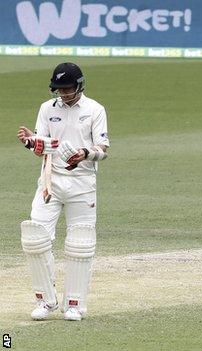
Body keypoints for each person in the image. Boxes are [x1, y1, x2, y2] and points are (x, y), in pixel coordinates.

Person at [17, 62, 109, 321]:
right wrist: (30, 142)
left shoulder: (95, 109)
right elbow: (42, 144)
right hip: (50, 181)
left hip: (82, 183)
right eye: (59, 90)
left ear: (79, 85)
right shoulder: (47, 109)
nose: (64, 94)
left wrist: (85, 154)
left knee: (81, 242)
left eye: (68, 89)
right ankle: (46, 301)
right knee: (34, 238)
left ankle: (75, 304)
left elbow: (103, 149)